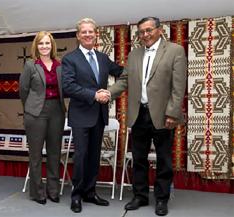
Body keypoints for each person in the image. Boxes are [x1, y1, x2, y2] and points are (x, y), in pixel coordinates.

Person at [109, 17, 187, 216]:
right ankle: (140, 196)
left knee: (163, 159)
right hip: (139, 114)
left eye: (149, 30)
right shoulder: (134, 54)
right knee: (139, 159)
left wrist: (172, 113)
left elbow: (178, 87)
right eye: (141, 32)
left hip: (163, 115)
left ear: (160, 30)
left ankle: (161, 199)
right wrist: (108, 93)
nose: (145, 35)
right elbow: (125, 80)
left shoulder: (175, 51)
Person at [62, 18, 123, 213]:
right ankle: (77, 195)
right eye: (84, 32)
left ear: (96, 34)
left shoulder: (103, 58)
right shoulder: (70, 59)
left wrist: (140, 69)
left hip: (99, 115)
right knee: (81, 156)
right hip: (81, 115)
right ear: (78, 35)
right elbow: (68, 86)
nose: (88, 35)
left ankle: (90, 192)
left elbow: (122, 72)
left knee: (94, 156)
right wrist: (94, 95)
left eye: (91, 31)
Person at [19, 31, 66, 205]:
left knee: (54, 153)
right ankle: (37, 192)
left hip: (57, 111)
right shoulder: (31, 65)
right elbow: (23, 90)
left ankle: (53, 191)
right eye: (41, 43)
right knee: (36, 155)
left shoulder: (59, 65)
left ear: (52, 45)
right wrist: (31, 107)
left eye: (47, 43)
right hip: (36, 113)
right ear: (36, 46)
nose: (44, 46)